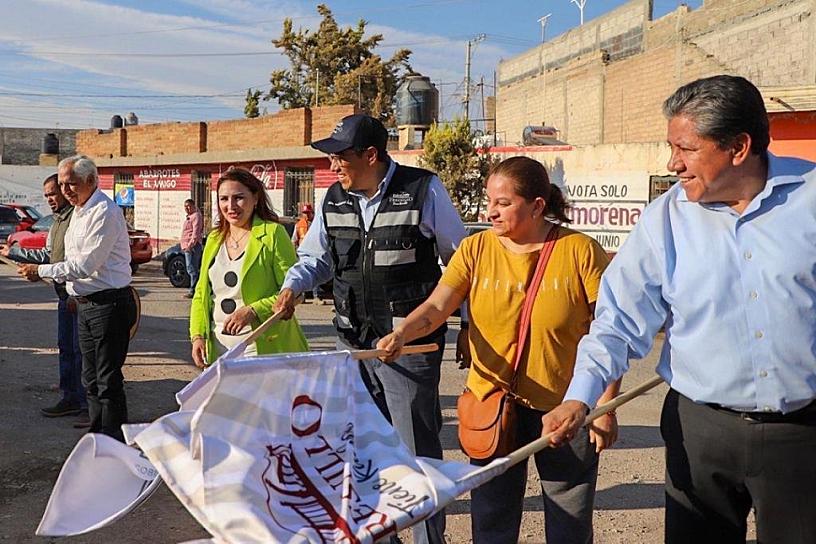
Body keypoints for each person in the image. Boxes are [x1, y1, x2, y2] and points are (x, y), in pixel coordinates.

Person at [542, 75, 816, 544]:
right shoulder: (664, 219)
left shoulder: (809, 199)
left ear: (738, 147)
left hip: (803, 436)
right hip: (700, 432)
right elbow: (618, 321)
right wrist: (580, 396)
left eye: (686, 148)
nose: (673, 164)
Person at [377, 156, 619, 544]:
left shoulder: (580, 252)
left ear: (537, 206)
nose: (490, 211)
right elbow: (438, 306)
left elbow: (609, 332)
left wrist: (605, 406)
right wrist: (404, 332)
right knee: (491, 520)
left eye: (503, 203)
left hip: (565, 408)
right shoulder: (475, 249)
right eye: (489, 200)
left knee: (569, 523)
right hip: (492, 406)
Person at [275, 113, 467, 544]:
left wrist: (468, 324)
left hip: (409, 350)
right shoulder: (333, 199)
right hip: (353, 348)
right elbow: (317, 259)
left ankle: (428, 540)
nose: (333, 166)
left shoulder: (423, 190)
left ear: (371, 155)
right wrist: (293, 286)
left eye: (340, 157)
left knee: (415, 455)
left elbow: (461, 263)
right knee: (364, 453)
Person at [17, 155, 136, 442]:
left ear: (91, 180)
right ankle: (97, 439)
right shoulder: (79, 212)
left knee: (107, 380)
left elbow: (84, 266)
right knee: (90, 379)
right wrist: (69, 290)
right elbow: (69, 260)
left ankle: (114, 444)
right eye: (62, 185)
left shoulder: (104, 212)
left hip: (110, 305)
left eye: (71, 184)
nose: (66, 190)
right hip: (86, 304)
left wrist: (41, 271)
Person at [189, 168, 307, 368]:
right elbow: (201, 294)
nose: (231, 206)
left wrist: (253, 310)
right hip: (219, 349)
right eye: (224, 199)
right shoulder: (214, 238)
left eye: (239, 198)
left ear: (255, 198)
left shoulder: (273, 234)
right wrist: (197, 336)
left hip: (263, 348)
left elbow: (294, 292)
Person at [1, 174, 87, 426]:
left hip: (77, 296)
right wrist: (15, 253)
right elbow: (49, 255)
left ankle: (84, 403)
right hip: (63, 296)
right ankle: (69, 397)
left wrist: (74, 292)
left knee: (80, 353)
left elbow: (78, 264)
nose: (49, 199)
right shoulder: (57, 222)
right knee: (66, 348)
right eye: (46, 195)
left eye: (53, 193)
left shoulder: (77, 218)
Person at [180, 198, 203, 298]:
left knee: (192, 269)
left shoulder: (196, 216)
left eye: (189, 206)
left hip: (193, 246)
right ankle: (194, 290)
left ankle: (193, 291)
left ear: (193, 206)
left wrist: (190, 245)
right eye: (185, 207)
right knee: (190, 268)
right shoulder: (189, 217)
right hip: (187, 246)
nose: (187, 208)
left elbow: (195, 233)